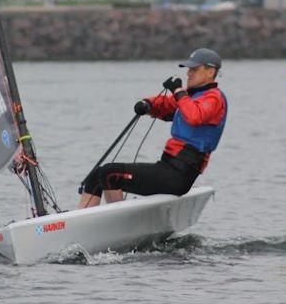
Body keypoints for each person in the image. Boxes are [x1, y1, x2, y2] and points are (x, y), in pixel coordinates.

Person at [78, 48, 227, 208]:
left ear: (211, 72)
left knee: (110, 174)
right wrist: (148, 104)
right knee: (96, 175)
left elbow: (194, 116)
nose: (189, 73)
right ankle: (77, 221)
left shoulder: (214, 98)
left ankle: (120, 225)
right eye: (189, 69)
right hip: (167, 167)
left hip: (180, 175)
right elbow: (167, 104)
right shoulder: (191, 97)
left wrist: (178, 90)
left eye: (194, 69)